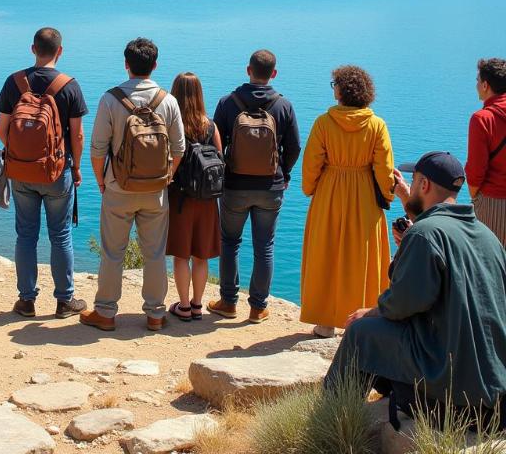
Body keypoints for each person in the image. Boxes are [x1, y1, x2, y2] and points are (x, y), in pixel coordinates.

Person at [327, 152, 506, 418]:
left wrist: (370, 312)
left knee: (360, 332)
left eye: (414, 180)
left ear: (424, 185)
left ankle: (330, 418)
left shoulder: (426, 235)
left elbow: (401, 304)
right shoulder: (487, 236)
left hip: (451, 392)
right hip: (493, 392)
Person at [80, 38, 185, 332]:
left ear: (126, 65)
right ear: (155, 66)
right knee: (154, 253)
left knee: (113, 252)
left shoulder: (110, 99)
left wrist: (102, 182)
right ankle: (154, 314)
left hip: (118, 188)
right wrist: (167, 177)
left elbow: (98, 149)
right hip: (156, 191)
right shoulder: (168, 100)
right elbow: (179, 149)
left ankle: (105, 313)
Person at [0, 27, 89, 319]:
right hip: (57, 172)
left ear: (32, 48)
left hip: (21, 172)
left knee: (26, 235)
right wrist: (76, 167)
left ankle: (26, 300)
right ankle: (64, 301)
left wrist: (21, 157)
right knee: (60, 235)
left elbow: (2, 130)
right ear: (60, 51)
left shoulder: (15, 82)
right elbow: (78, 135)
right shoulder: (69, 85)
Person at [299, 65, 394, 337]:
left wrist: (311, 190)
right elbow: (384, 168)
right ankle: (360, 319)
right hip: (364, 193)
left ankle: (325, 322)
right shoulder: (376, 125)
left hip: (330, 192)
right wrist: (386, 195)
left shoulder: (324, 123)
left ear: (340, 91)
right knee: (361, 257)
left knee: (325, 253)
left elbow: (311, 165)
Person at [208, 50, 301, 324]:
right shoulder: (284, 106)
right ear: (273, 74)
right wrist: (284, 173)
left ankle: (227, 302)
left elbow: (215, 144)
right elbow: (294, 147)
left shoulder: (227, 103)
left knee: (229, 243)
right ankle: (258, 307)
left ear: (248, 69)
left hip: (234, 186)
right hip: (270, 188)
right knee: (265, 247)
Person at [166, 72, 222, 321]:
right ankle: (198, 305)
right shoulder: (210, 125)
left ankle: (184, 306)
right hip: (208, 200)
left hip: (180, 199)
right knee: (201, 255)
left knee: (181, 255)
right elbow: (219, 158)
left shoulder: (172, 125)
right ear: (199, 95)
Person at [466, 57, 506, 246]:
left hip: (493, 202)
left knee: (489, 266)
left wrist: (475, 198)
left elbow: (475, 172)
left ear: (485, 85)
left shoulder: (482, 119)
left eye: (477, 81)